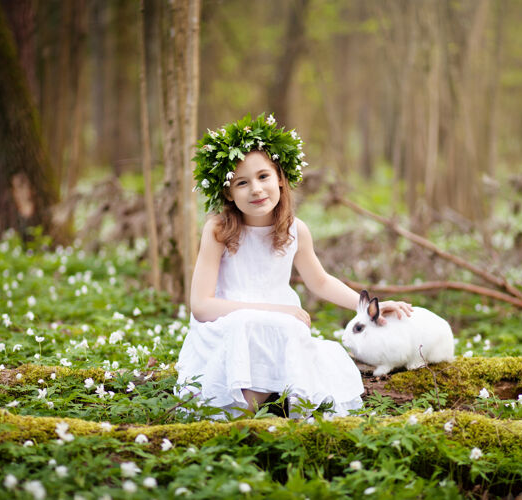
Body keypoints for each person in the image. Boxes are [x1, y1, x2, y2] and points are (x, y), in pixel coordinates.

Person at [176, 113, 412, 418]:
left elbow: (321, 282)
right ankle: (251, 406)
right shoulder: (218, 230)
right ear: (228, 193)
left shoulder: (294, 230)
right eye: (242, 183)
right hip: (228, 324)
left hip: (280, 328)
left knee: (288, 334)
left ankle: (277, 401)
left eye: (263, 177)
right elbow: (201, 306)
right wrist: (277, 310)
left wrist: (369, 307)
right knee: (246, 329)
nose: (257, 190)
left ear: (280, 178)